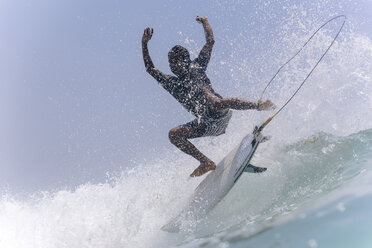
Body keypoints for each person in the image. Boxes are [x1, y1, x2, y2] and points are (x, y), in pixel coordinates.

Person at [142, 16, 275, 177]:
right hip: (206, 124)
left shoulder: (197, 66)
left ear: (185, 60)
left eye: (174, 61)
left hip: (220, 112)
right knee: (174, 134)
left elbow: (210, 41)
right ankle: (205, 162)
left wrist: (205, 22)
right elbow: (150, 69)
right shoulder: (171, 83)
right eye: (170, 62)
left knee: (213, 99)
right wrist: (144, 44)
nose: (171, 65)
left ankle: (259, 106)